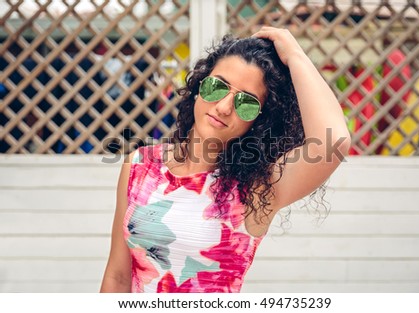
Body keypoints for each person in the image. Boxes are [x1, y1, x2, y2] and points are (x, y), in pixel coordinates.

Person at [100, 26, 351, 293]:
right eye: (217, 86)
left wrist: (296, 56)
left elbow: (335, 141)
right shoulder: (140, 165)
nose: (224, 107)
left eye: (246, 103)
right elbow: (117, 276)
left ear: (258, 121)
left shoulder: (257, 190)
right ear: (199, 86)